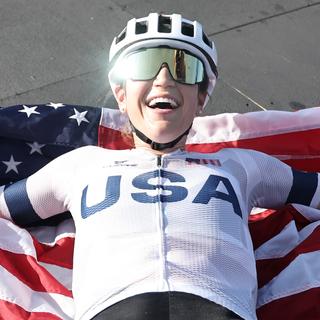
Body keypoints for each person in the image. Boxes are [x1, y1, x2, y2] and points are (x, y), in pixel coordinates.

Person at [0, 12, 319, 320]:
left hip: (220, 309)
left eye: (185, 68)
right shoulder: (80, 166)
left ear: (201, 98)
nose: (164, 78)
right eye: (145, 65)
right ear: (121, 95)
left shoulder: (242, 165)